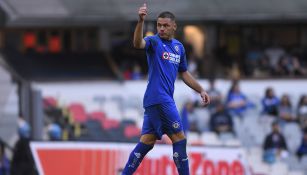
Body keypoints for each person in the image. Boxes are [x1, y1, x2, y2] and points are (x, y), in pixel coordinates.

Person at [122, 4, 210, 175]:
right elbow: (137, 43)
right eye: (159, 25)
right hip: (160, 98)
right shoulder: (154, 42)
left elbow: (184, 73)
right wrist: (140, 21)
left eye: (165, 25)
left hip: (155, 101)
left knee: (146, 142)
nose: (161, 29)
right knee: (179, 138)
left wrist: (201, 90)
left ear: (174, 26)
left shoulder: (179, 47)